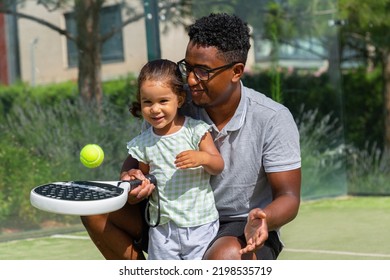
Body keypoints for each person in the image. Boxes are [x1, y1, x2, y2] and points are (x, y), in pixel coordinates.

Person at [81, 12, 301, 260]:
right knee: (95, 209)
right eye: (188, 67)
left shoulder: (273, 118)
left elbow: (289, 197)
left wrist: (264, 219)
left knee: (224, 256)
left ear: (237, 71)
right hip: (170, 215)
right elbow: (140, 156)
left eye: (204, 71)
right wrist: (132, 177)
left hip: (240, 223)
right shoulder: (171, 102)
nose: (192, 79)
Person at [125, 59, 223, 259]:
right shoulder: (143, 142)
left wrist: (202, 157)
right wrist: (140, 182)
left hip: (200, 225)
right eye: (148, 102)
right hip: (163, 229)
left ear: (179, 99)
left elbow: (218, 165)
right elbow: (145, 177)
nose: (155, 109)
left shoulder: (195, 131)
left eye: (163, 101)